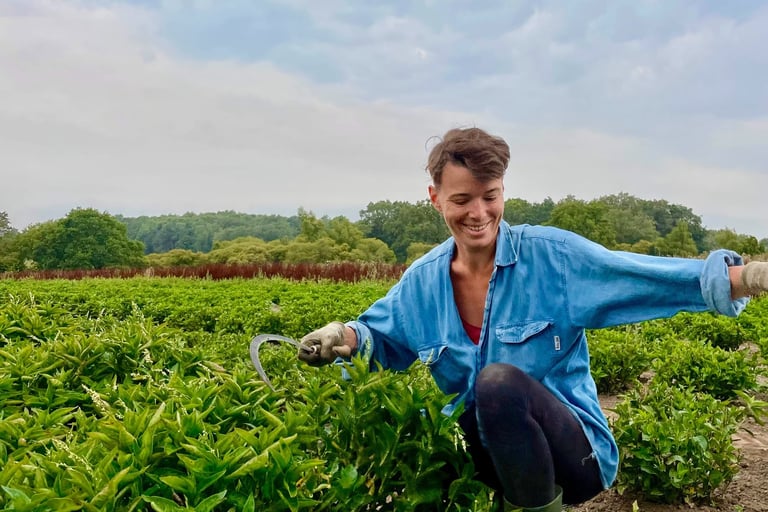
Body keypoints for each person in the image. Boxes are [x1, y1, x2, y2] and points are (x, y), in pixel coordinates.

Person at [296, 127, 768, 512]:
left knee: (497, 383)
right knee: (420, 421)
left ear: (503, 192)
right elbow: (379, 334)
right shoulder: (422, 283)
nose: (478, 213)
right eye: (462, 200)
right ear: (435, 198)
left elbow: (641, 277)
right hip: (484, 452)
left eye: (490, 196)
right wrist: (343, 335)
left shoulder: (553, 258)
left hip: (571, 456)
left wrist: (746, 276)